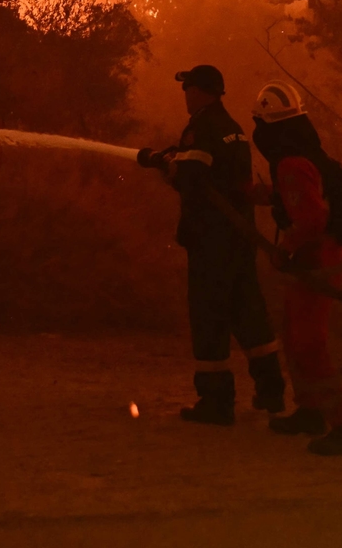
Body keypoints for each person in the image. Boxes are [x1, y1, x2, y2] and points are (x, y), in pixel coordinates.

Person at [137, 64, 287, 425]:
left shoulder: (201, 128)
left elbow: (190, 175)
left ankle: (216, 403)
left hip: (211, 242)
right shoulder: (232, 129)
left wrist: (165, 165)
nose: (185, 95)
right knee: (250, 314)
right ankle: (272, 391)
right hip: (238, 240)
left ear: (202, 91)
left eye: (187, 88)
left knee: (209, 319)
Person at [249, 81, 342, 456]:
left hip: (318, 265)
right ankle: (310, 411)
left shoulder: (291, 163)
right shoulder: (304, 155)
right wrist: (251, 195)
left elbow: (312, 218)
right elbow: (298, 199)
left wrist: (285, 248)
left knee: (308, 345)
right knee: (294, 337)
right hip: (320, 262)